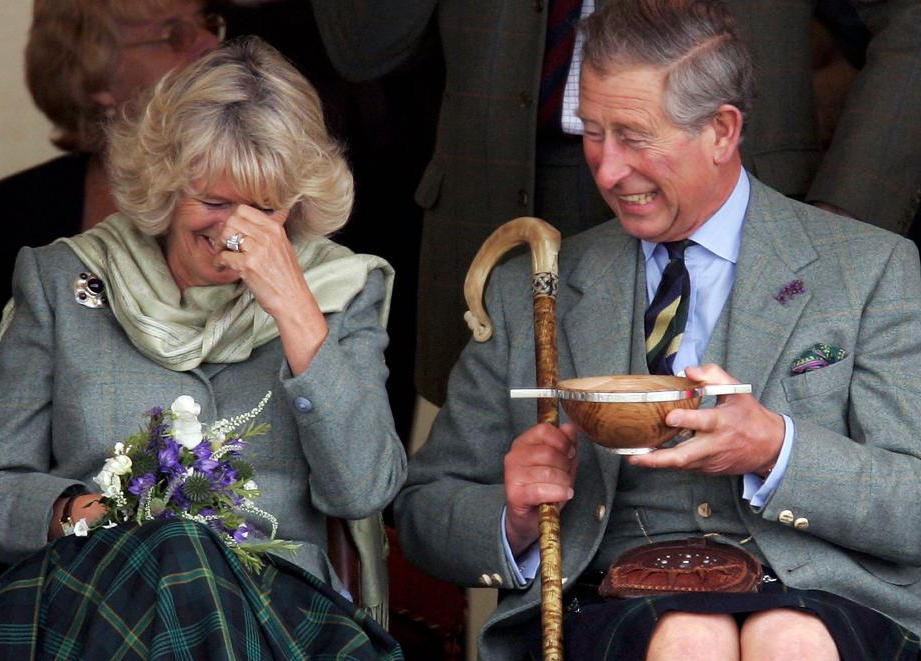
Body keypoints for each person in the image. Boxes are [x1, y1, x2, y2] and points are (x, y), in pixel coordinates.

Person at [394, 1, 921, 661]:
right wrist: (512, 516)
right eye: (594, 133)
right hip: (612, 594)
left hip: (823, 594)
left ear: (722, 131)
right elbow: (425, 510)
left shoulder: (871, 269)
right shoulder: (537, 289)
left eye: (636, 138)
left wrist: (779, 451)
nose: (608, 171)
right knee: (691, 644)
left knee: (792, 647)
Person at [0, 37, 416, 661]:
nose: (236, 232)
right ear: (165, 183)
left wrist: (295, 307)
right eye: (212, 200)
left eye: (265, 208)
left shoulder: (337, 294)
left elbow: (365, 488)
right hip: (94, 615)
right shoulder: (64, 282)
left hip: (279, 628)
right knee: (177, 554)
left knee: (193, 566)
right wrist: (77, 514)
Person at [307, 0, 921, 407]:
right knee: (536, 512)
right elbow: (363, 47)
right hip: (500, 209)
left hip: (730, 206)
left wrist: (845, 215)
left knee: (751, 511)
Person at [0, 0, 223, 384]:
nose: (211, 46)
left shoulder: (278, 205)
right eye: (175, 35)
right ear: (96, 75)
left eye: (207, 24)